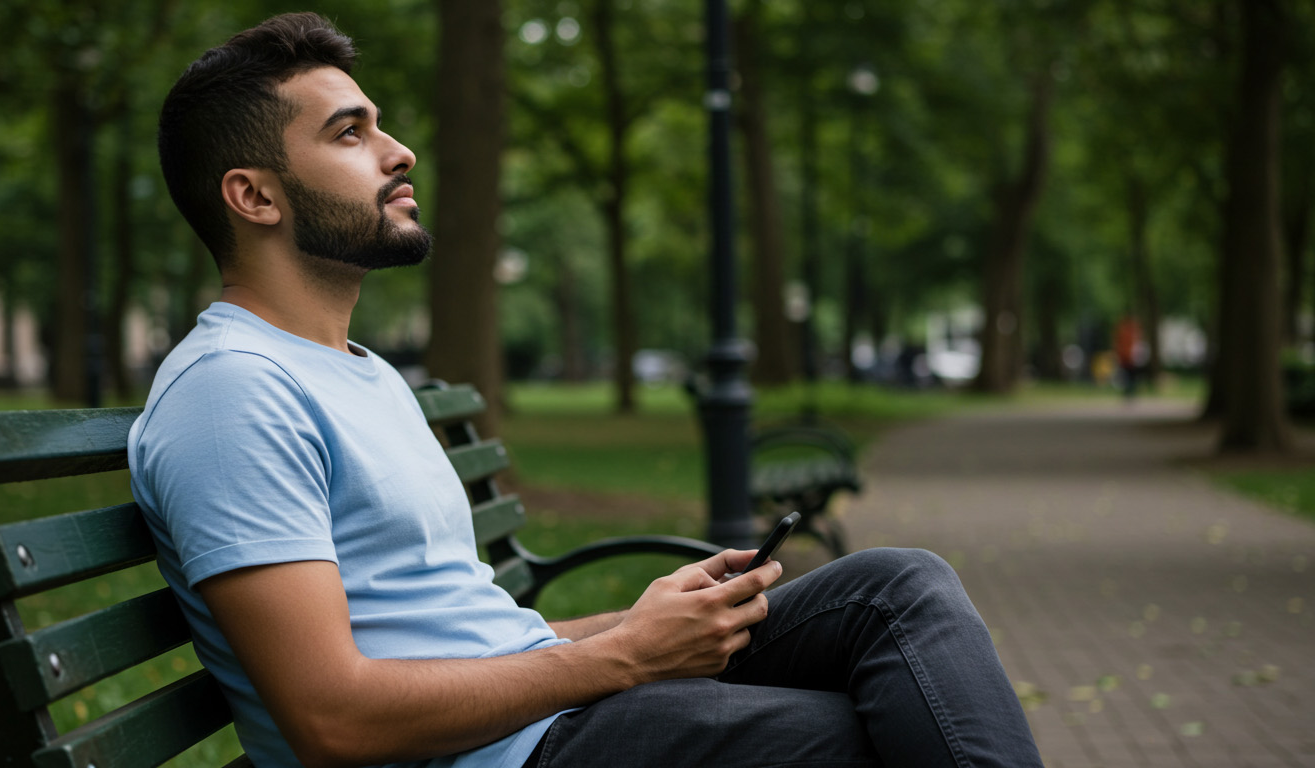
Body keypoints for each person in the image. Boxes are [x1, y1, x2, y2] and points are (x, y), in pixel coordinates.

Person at [131, 13, 1044, 768]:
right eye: (350, 133)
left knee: (898, 587)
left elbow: (454, 630)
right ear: (254, 197)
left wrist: (646, 622)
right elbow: (333, 720)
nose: (400, 152)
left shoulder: (358, 371)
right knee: (867, 738)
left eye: (380, 124)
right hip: (510, 753)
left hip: (539, 711)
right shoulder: (232, 397)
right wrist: (623, 658)